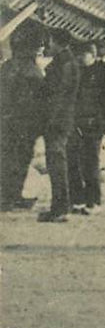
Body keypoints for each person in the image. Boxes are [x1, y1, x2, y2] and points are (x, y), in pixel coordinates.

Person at [67, 42, 105, 213]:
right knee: (73, 162)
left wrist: (103, 117)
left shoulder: (103, 73)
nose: (79, 58)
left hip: (94, 124)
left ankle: (93, 201)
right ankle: (77, 200)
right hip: (76, 123)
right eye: (78, 55)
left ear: (92, 55)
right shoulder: (77, 71)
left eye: (83, 55)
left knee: (90, 162)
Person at [0, 28, 48, 212]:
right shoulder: (32, 70)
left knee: (8, 159)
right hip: (24, 124)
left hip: (8, 123)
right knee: (19, 160)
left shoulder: (7, 68)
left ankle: (8, 197)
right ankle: (10, 197)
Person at [39, 30, 81, 223]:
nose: (47, 45)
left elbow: (58, 96)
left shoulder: (63, 65)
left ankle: (60, 208)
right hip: (63, 118)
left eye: (49, 41)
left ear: (58, 43)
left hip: (57, 120)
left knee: (56, 162)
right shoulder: (67, 62)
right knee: (60, 161)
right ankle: (64, 205)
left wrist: (49, 119)